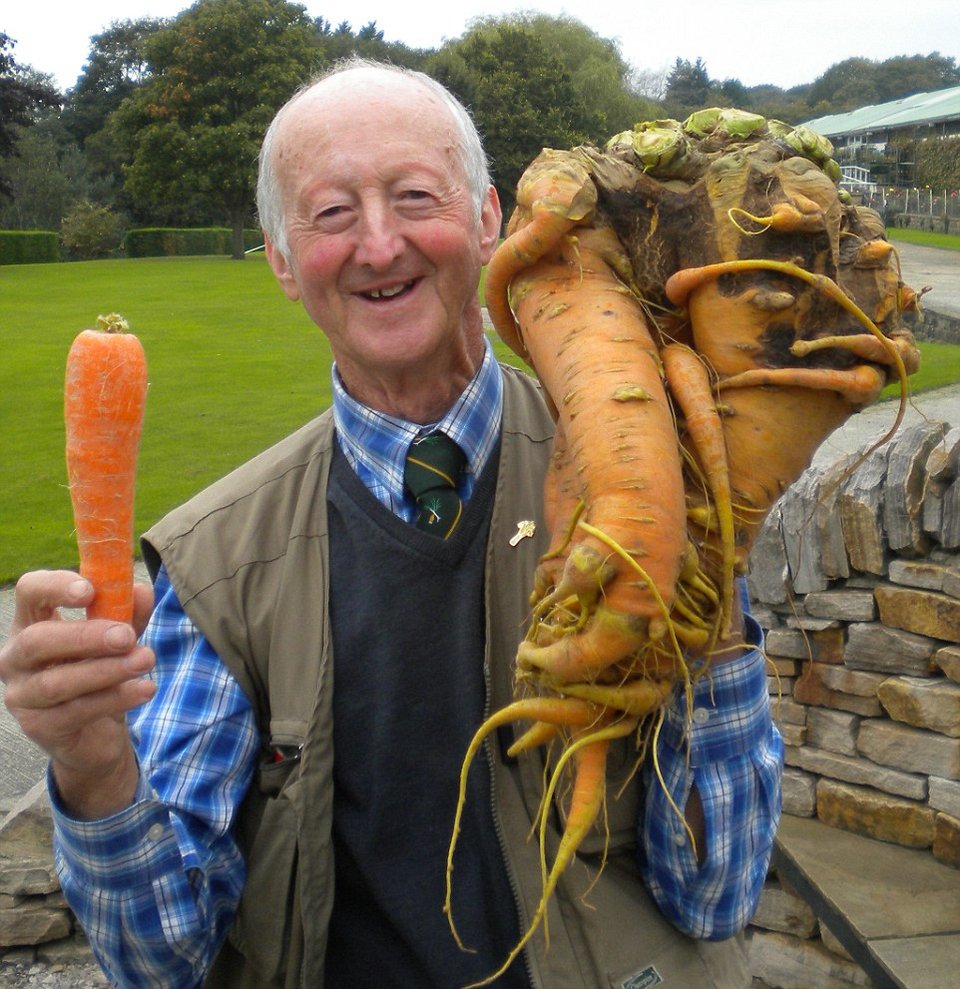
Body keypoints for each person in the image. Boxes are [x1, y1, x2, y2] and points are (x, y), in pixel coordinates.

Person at [0, 59, 782, 989]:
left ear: (492, 219)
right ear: (283, 261)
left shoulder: (654, 490)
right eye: (331, 214)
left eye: (415, 196)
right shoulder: (215, 564)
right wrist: (93, 766)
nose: (379, 245)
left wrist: (710, 572)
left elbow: (718, 895)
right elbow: (161, 958)